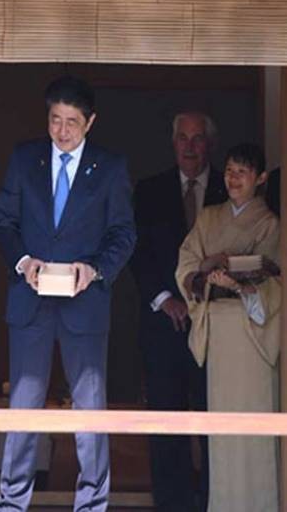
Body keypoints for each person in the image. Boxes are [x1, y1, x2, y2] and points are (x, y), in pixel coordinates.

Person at [0, 75, 136, 511]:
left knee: (90, 411)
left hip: (84, 303)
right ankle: (11, 504)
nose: (62, 130)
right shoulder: (25, 159)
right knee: (23, 409)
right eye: (55, 119)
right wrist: (24, 262)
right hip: (31, 301)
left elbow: (123, 233)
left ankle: (92, 504)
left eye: (72, 121)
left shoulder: (109, 167)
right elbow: (5, 222)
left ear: (90, 122)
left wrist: (95, 269)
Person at [129, 112, 225, 512]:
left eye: (197, 139)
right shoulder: (150, 190)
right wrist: (164, 297)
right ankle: (171, 504)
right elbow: (137, 251)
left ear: (209, 144)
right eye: (183, 138)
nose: (189, 146)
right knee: (166, 418)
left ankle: (215, 500)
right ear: (173, 143)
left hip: (217, 325)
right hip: (163, 322)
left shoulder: (229, 187)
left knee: (214, 417)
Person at [176, 143, 279, 512]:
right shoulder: (208, 217)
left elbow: (275, 281)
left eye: (243, 172)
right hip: (219, 329)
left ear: (261, 179)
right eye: (231, 171)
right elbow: (186, 263)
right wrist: (207, 268)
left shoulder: (269, 224)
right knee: (223, 432)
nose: (234, 179)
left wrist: (239, 285)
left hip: (251, 334)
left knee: (254, 427)